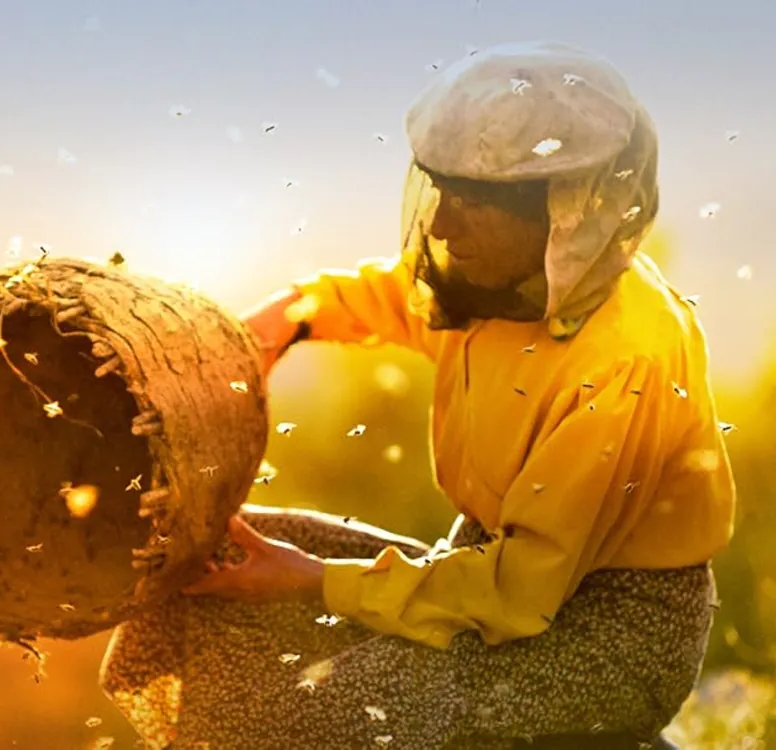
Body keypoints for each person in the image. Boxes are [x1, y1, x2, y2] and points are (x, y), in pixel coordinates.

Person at [98, 41, 735, 749]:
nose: (440, 225)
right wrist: (285, 322)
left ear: (564, 211)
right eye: (441, 192)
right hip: (483, 575)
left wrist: (314, 582)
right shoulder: (501, 280)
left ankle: (614, 735)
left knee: (320, 702)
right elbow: (388, 295)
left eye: (473, 205)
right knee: (213, 558)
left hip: (604, 634)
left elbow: (518, 594)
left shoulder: (624, 362)